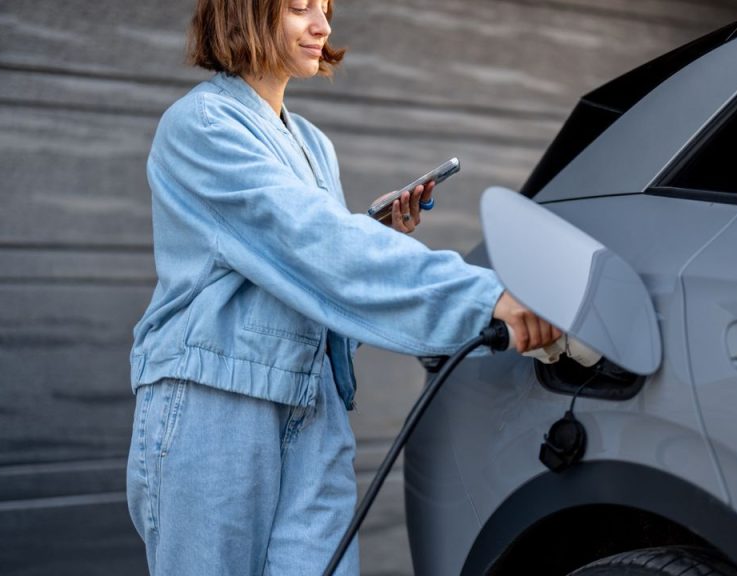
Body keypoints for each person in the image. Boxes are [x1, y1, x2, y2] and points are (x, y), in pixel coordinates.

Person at [125, 1, 560, 574]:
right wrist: (483, 298)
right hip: (220, 409)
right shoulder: (202, 126)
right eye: (299, 7)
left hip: (315, 408)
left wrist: (375, 232)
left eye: (326, 8)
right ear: (243, 14)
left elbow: (318, 260)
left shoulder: (313, 144)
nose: (323, 26)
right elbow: (316, 245)